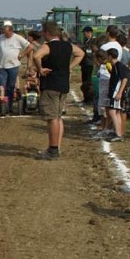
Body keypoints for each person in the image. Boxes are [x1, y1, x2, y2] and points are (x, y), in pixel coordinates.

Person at [32, 21, 85, 160]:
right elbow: (81, 53)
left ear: (48, 33)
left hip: (51, 85)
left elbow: (36, 56)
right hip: (63, 85)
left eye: (44, 33)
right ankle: (56, 147)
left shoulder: (47, 46)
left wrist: (40, 69)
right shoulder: (68, 46)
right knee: (58, 117)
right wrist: (70, 67)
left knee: (52, 119)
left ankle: (53, 149)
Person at [102, 47, 130, 142]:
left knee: (112, 112)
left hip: (116, 92)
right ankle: (118, 132)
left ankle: (118, 133)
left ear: (110, 56)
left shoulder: (118, 66)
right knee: (116, 112)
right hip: (115, 92)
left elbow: (124, 78)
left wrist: (119, 92)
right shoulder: (115, 66)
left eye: (107, 56)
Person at [0, 20, 30, 106]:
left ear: (11, 31)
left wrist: (22, 55)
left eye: (7, 33)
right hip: (3, 65)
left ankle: (9, 104)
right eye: (4, 33)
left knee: (11, 85)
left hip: (13, 65)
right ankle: (3, 103)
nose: (5, 34)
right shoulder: (0, 38)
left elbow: (29, 46)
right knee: (3, 85)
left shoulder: (17, 38)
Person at [78, 26, 96, 108]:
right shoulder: (86, 41)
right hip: (84, 64)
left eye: (85, 33)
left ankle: (89, 99)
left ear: (89, 32)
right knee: (84, 81)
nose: (84, 35)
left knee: (88, 82)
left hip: (89, 64)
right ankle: (85, 98)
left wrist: (83, 50)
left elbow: (90, 53)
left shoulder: (93, 41)